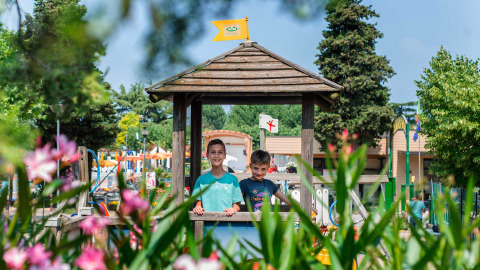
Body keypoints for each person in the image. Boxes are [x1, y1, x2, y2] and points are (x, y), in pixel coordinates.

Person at [192, 139, 243, 216]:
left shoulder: (233, 180)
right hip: (206, 224)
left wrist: (233, 209)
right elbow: (198, 204)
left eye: (220, 152)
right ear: (207, 155)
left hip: (227, 223)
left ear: (225, 155)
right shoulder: (201, 180)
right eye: (213, 152)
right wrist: (198, 208)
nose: (216, 155)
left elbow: (237, 206)